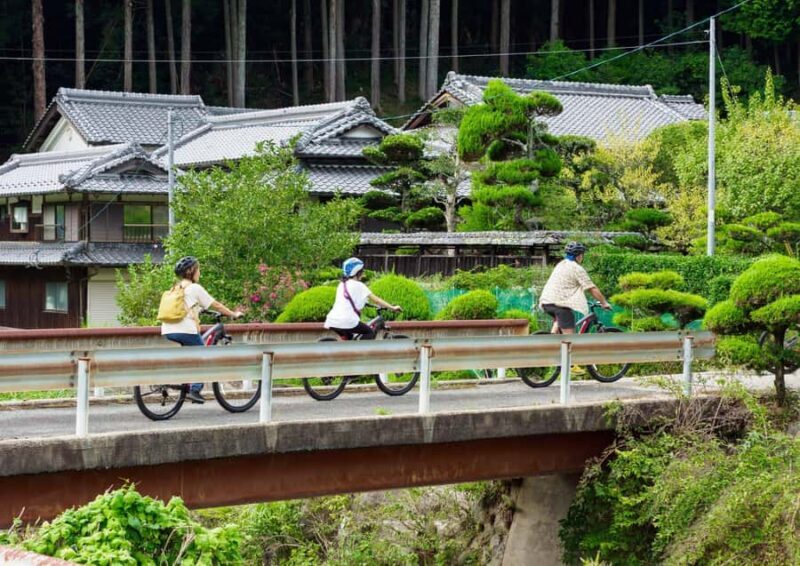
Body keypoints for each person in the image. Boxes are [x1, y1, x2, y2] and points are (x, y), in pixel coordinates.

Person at [161, 256, 243, 404]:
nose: (199, 272)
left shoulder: (176, 288)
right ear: (191, 271)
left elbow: (190, 307)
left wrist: (201, 310)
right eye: (198, 269)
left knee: (191, 357)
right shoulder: (195, 288)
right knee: (203, 357)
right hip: (185, 330)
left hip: (168, 329)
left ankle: (185, 382)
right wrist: (233, 314)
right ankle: (195, 389)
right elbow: (216, 305)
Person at [538, 242, 610, 335]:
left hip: (546, 302)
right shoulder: (576, 268)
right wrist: (604, 303)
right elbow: (591, 288)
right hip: (559, 305)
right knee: (570, 338)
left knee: (559, 322)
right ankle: (563, 346)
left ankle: (552, 340)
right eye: (582, 255)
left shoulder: (561, 264)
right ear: (579, 256)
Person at [324, 257, 402, 340]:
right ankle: (361, 351)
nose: (363, 274)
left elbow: (347, 301)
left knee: (350, 339)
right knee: (369, 332)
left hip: (332, 321)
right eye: (361, 271)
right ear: (357, 272)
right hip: (347, 321)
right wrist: (392, 308)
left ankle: (348, 352)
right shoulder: (360, 285)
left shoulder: (342, 284)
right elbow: (376, 300)